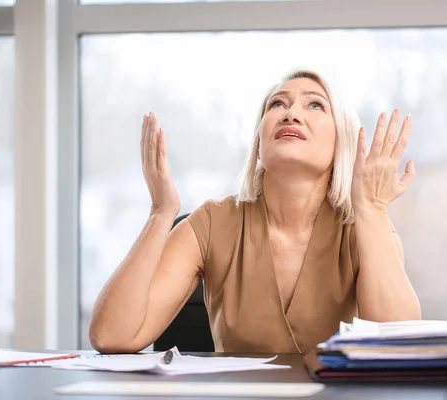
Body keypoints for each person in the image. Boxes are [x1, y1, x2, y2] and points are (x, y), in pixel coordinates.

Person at [89, 69, 421, 354]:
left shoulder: (363, 228)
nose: (291, 114)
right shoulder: (210, 223)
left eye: (315, 104)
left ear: (341, 142)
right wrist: (160, 213)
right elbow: (111, 336)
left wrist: (373, 210)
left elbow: (401, 346)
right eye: (278, 104)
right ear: (260, 142)